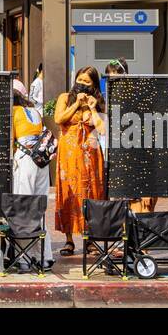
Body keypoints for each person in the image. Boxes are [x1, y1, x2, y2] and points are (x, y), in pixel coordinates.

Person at [53, 65, 105, 255]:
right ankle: (68, 239)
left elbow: (102, 128)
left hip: (90, 154)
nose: (82, 85)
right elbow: (59, 119)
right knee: (69, 192)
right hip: (69, 153)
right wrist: (76, 104)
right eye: (80, 80)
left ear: (94, 85)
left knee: (91, 193)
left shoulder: (97, 101)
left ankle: (91, 239)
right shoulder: (65, 98)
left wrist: (92, 108)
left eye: (87, 82)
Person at [11, 79, 53, 265]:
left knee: (23, 205)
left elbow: (10, 140)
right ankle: (44, 256)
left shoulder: (12, 112)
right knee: (39, 207)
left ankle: (24, 257)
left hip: (25, 159)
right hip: (42, 161)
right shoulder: (34, 111)